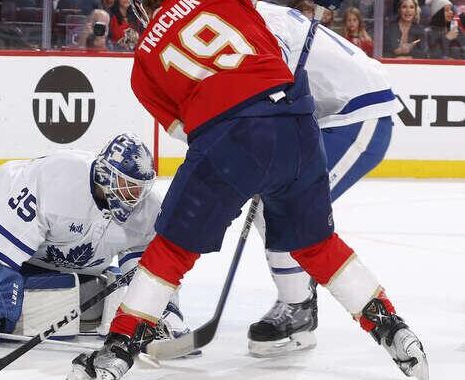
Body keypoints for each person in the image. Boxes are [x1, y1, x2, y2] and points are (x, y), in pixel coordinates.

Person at [66, 0, 428, 380]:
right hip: (297, 124)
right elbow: (273, 57)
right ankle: (393, 329)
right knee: (317, 245)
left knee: (171, 248)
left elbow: (190, 131)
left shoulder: (141, 68)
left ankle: (116, 352)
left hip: (232, 141)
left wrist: (232, 182)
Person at [247, 0, 403, 357]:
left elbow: (276, 95)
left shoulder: (262, 24)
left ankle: (298, 308)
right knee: (271, 204)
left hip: (358, 116)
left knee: (284, 209)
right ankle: (298, 298)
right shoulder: (260, 16)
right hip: (336, 116)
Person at [0, 133, 194, 352]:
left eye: (139, 188)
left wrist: (161, 306)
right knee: (6, 299)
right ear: (105, 175)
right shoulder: (57, 180)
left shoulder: (147, 209)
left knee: (101, 301)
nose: (134, 196)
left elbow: (150, 265)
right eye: (126, 185)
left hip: (60, 256)